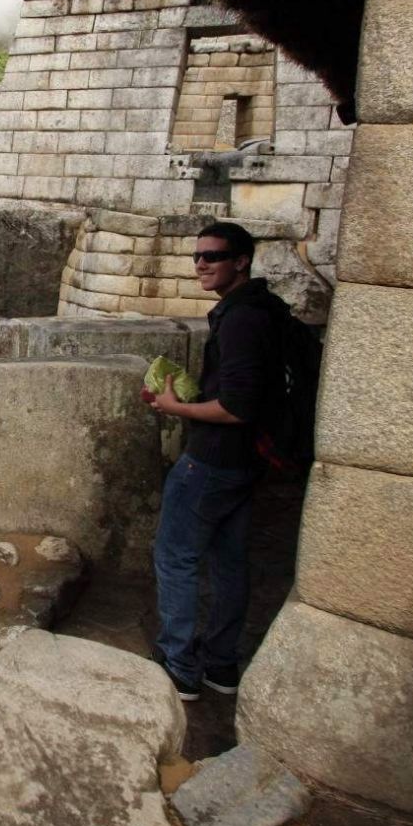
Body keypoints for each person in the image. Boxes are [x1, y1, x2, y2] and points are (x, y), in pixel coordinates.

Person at [143, 222, 283, 701]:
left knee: (174, 555)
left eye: (213, 256)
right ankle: (221, 665)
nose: (201, 264)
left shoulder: (241, 319)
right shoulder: (265, 309)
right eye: (197, 256)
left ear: (241, 260)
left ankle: (180, 667)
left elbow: (236, 407)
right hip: (246, 463)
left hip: (212, 461)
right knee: (228, 562)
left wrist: (176, 408)